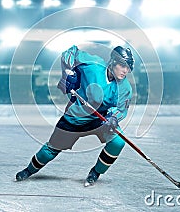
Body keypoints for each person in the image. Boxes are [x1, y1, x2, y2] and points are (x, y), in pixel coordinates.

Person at [15, 45, 134, 186]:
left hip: (100, 119)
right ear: (113, 62)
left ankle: (96, 172)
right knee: (51, 149)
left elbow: (120, 109)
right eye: (122, 65)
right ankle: (29, 170)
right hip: (75, 117)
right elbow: (70, 52)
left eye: (128, 67)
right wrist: (68, 73)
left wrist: (114, 118)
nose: (125, 70)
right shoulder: (93, 64)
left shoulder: (125, 88)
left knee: (118, 142)